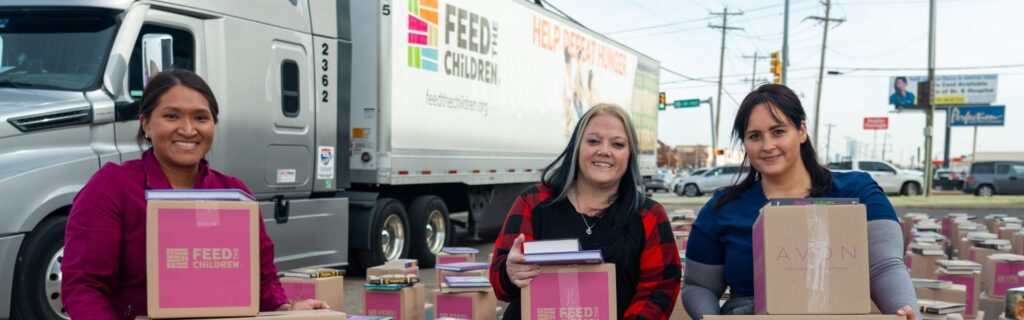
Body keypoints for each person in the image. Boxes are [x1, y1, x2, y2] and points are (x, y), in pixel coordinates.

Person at [61, 69, 329, 319]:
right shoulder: (112, 187)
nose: (188, 130)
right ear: (146, 124)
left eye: (201, 118)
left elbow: (262, 280)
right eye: (171, 116)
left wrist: (287, 309)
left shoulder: (234, 193)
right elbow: (84, 286)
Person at [681, 84, 919, 319]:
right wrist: (710, 319)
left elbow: (884, 266)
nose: (767, 146)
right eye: (755, 136)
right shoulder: (723, 207)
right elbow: (698, 286)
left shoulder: (858, 192)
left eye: (778, 131)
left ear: (802, 131)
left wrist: (905, 310)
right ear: (744, 143)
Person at [489, 104, 681, 319]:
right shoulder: (533, 202)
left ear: (630, 155)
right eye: (593, 141)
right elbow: (501, 285)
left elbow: (659, 289)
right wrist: (509, 271)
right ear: (576, 147)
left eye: (617, 144)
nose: (604, 151)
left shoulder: (650, 216)